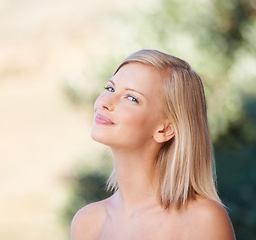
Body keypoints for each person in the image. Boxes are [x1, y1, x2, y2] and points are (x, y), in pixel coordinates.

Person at [70, 49, 236, 240]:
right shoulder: (87, 223)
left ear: (165, 130)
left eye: (131, 98)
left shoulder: (202, 220)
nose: (105, 101)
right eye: (110, 88)